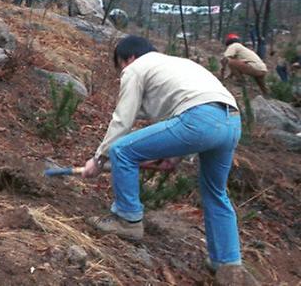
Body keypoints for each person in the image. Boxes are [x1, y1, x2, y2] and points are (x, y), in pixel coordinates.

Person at [81, 36, 256, 286]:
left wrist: (99, 159)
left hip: (200, 119)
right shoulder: (176, 65)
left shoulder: (135, 67)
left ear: (128, 58)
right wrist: (174, 156)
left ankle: (127, 220)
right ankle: (228, 263)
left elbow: (123, 119)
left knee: (121, 151)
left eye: (120, 66)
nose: (122, 73)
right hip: (231, 122)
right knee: (215, 193)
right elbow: (187, 108)